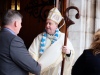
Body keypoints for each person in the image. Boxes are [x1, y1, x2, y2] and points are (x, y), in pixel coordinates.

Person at [28, 7, 75, 75]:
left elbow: (71, 55)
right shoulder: (39, 37)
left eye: (50, 23)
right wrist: (37, 65)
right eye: (46, 23)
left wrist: (68, 52)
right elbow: (32, 53)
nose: (47, 26)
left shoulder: (62, 38)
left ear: (56, 25)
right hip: (40, 71)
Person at [0, 9, 41, 75]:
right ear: (16, 23)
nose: (21, 26)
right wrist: (37, 66)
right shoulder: (14, 41)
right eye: (20, 23)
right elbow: (34, 68)